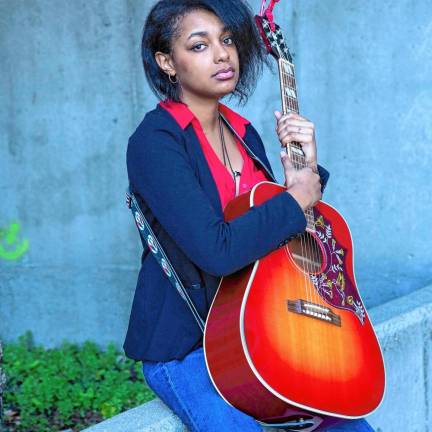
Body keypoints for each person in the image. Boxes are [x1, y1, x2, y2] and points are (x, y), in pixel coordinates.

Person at [124, 1, 375, 431]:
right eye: (199, 45)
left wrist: (305, 176)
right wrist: (294, 200)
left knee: (352, 424)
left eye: (227, 40)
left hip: (262, 327)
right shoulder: (155, 143)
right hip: (189, 346)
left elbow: (281, 240)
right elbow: (217, 251)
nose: (223, 54)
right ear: (167, 62)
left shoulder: (244, 133)